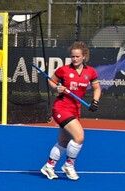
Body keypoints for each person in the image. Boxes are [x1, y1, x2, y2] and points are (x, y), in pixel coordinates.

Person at [40, 41, 101, 181]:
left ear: (84, 56)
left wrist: (95, 101)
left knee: (63, 141)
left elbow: (97, 88)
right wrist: (57, 88)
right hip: (61, 107)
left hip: (75, 110)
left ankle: (48, 166)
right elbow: (52, 81)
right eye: (72, 56)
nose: (74, 59)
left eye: (77, 56)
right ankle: (69, 165)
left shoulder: (90, 72)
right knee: (79, 137)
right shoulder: (64, 70)